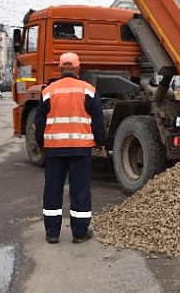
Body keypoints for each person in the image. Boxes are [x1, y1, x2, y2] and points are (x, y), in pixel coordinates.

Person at [34, 52, 105, 244]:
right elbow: (98, 119)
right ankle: (80, 233)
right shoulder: (88, 90)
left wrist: (40, 144)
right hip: (81, 149)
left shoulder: (49, 91)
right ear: (77, 69)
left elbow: (39, 122)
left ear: (59, 69)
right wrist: (100, 142)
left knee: (52, 190)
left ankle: (52, 233)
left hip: (54, 149)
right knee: (80, 190)